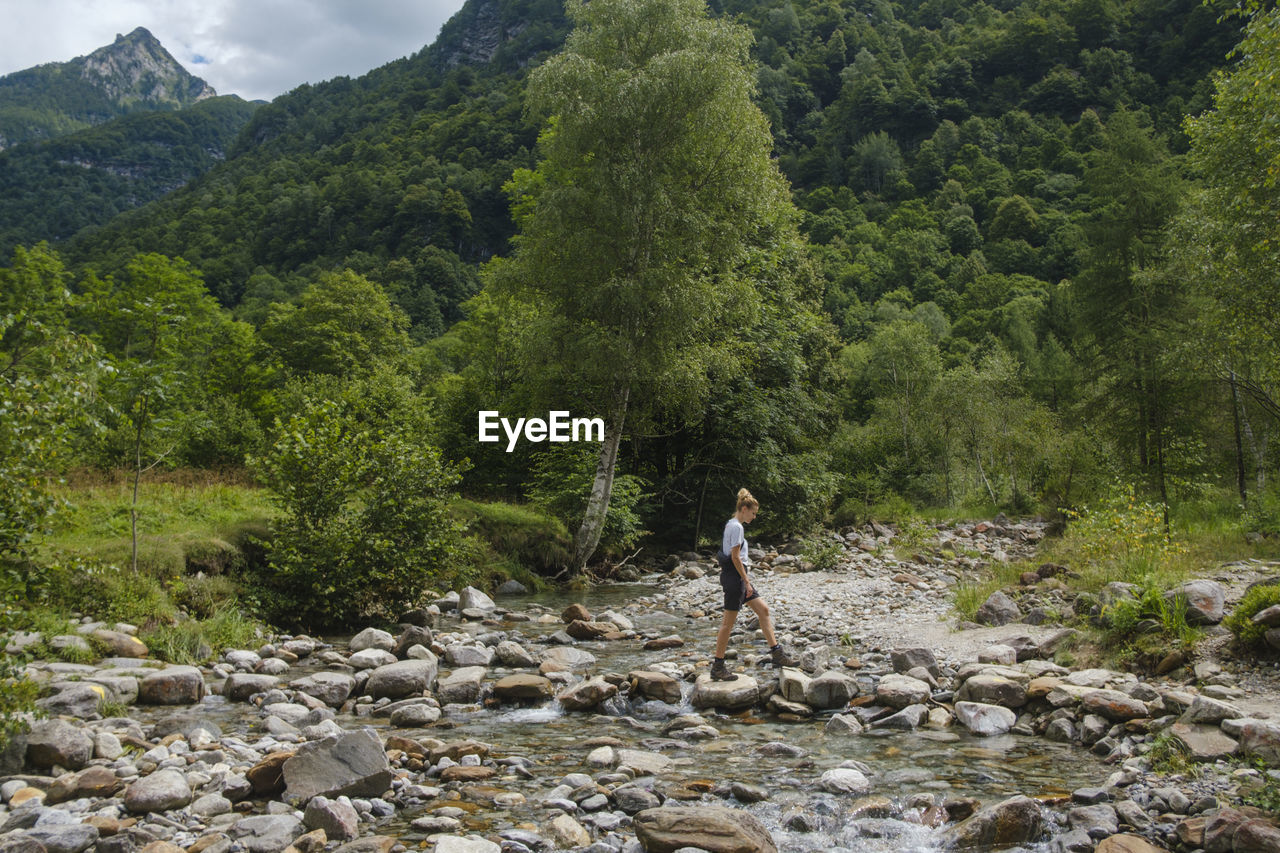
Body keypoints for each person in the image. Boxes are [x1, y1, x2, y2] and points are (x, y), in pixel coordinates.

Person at [710, 488, 797, 680]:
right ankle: (717, 666)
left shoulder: (731, 524)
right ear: (744, 508)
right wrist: (747, 581)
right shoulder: (737, 527)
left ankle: (777, 654)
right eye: (753, 513)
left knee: (763, 610)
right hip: (736, 580)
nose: (754, 517)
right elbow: (735, 557)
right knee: (727, 625)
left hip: (737, 578)